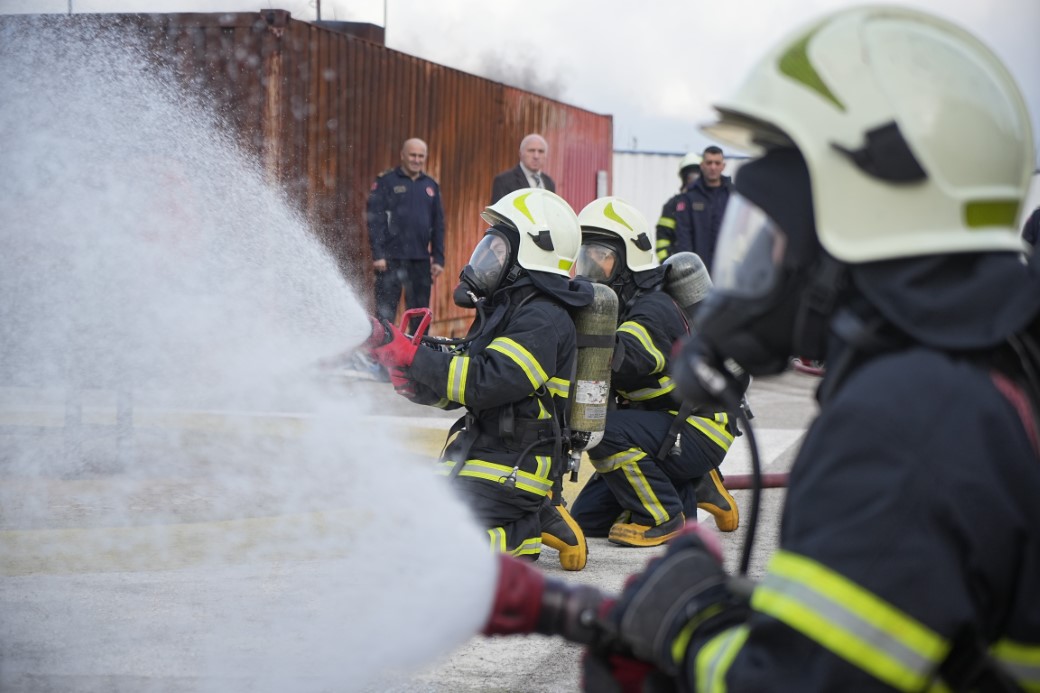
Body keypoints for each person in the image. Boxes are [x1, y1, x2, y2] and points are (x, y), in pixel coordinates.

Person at [482, 6, 1040, 691]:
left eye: (777, 221)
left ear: (859, 222)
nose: (764, 251)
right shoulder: (982, 371)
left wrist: (687, 626)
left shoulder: (906, 422)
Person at [369, 188, 595, 570]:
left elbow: (487, 381)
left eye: (497, 247)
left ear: (530, 254)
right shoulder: (508, 310)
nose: (486, 255)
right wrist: (415, 381)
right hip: (483, 452)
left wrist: (413, 355)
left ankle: (524, 532)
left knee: (430, 547)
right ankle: (534, 516)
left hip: (516, 465)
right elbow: (467, 387)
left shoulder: (543, 318)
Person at [568, 196, 740, 545]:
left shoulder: (652, 308)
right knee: (587, 520)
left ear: (629, 257)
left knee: (604, 433)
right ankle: (697, 482)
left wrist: (566, 332)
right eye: (585, 254)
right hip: (668, 424)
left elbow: (627, 358)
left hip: (697, 428)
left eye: (601, 255)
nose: (591, 265)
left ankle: (662, 515)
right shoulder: (623, 302)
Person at [366, 137, 445, 330]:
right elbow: (375, 220)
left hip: (420, 260)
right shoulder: (386, 181)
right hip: (390, 260)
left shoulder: (431, 186)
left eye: (421, 156)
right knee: (385, 315)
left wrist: (438, 258)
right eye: (413, 155)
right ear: (403, 155)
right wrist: (378, 254)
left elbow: (438, 224)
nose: (417, 160)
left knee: (420, 315)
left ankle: (418, 355)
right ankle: (383, 354)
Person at [673, 145, 733, 272]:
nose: (713, 167)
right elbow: (683, 234)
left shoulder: (732, 195)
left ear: (723, 166)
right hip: (699, 270)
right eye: (709, 162)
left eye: (717, 163)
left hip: (726, 269)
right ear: (702, 165)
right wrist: (689, 268)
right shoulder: (689, 196)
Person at [655, 152, 702, 262]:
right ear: (684, 178)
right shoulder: (672, 206)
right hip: (681, 269)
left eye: (697, 176)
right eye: (690, 176)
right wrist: (668, 265)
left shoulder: (709, 203)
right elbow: (662, 238)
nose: (694, 180)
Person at [491, 133, 556, 203]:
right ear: (520, 153)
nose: (536, 156)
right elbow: (497, 213)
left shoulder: (549, 182)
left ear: (546, 156)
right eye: (531, 150)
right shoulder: (503, 181)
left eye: (541, 151)